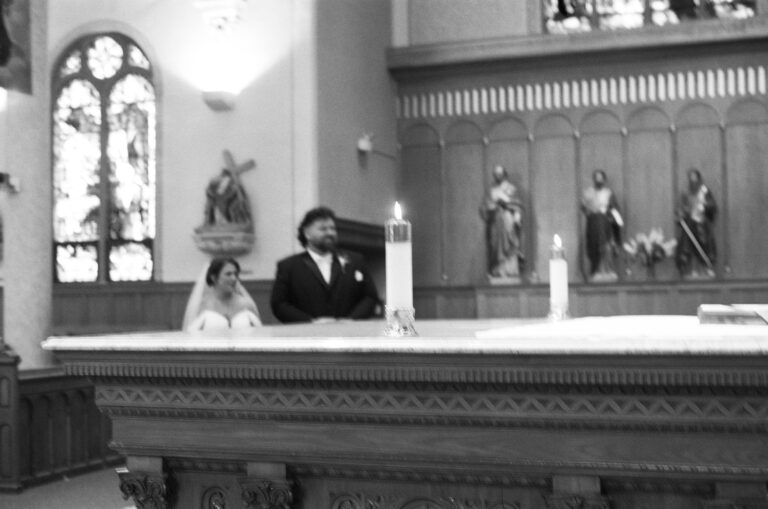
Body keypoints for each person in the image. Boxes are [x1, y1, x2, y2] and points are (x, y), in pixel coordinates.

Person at [270, 206, 380, 323]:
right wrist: (311, 322)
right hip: (307, 331)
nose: (330, 233)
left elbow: (370, 297)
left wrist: (351, 320)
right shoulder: (289, 266)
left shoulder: (355, 261)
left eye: (332, 228)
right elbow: (279, 304)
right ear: (307, 233)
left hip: (350, 330)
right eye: (323, 229)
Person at [182, 257, 261, 331]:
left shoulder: (246, 304)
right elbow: (192, 335)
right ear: (214, 278)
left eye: (235, 274)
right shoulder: (202, 305)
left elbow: (259, 332)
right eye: (228, 274)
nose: (234, 278)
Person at [479, 165, 524, 280]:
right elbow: (484, 207)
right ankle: (497, 269)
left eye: (500, 173)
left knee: (510, 241)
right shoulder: (492, 190)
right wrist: (491, 207)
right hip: (495, 220)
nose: (498, 176)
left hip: (507, 218)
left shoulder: (511, 188)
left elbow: (517, 205)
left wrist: (517, 216)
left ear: (504, 174)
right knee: (495, 244)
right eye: (495, 174)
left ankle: (510, 269)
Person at [581, 169, 623, 281]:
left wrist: (608, 211)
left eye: (601, 178)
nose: (598, 180)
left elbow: (615, 209)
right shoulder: (588, 192)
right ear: (594, 179)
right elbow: (583, 207)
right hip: (593, 224)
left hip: (605, 224)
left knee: (605, 246)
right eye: (596, 178)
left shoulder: (609, 193)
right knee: (594, 246)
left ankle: (606, 269)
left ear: (604, 180)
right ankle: (596, 270)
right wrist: (590, 211)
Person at [675, 168, 717, 278]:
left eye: (695, 178)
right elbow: (681, 207)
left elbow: (712, 206)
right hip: (690, 224)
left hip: (702, 224)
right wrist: (681, 213)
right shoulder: (685, 192)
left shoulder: (704, 191)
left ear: (699, 179)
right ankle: (692, 270)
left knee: (705, 246)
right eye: (691, 178)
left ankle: (707, 268)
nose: (693, 181)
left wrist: (705, 206)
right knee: (689, 247)